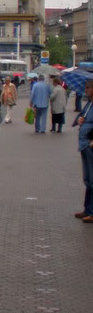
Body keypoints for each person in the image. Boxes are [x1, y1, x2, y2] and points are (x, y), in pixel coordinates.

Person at [71, 79, 93, 223]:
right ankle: (87, 209)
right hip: (84, 145)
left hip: (90, 145)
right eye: (85, 88)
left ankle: (91, 212)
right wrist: (79, 119)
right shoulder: (89, 104)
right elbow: (81, 117)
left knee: (92, 179)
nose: (85, 90)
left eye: (88, 88)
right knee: (87, 179)